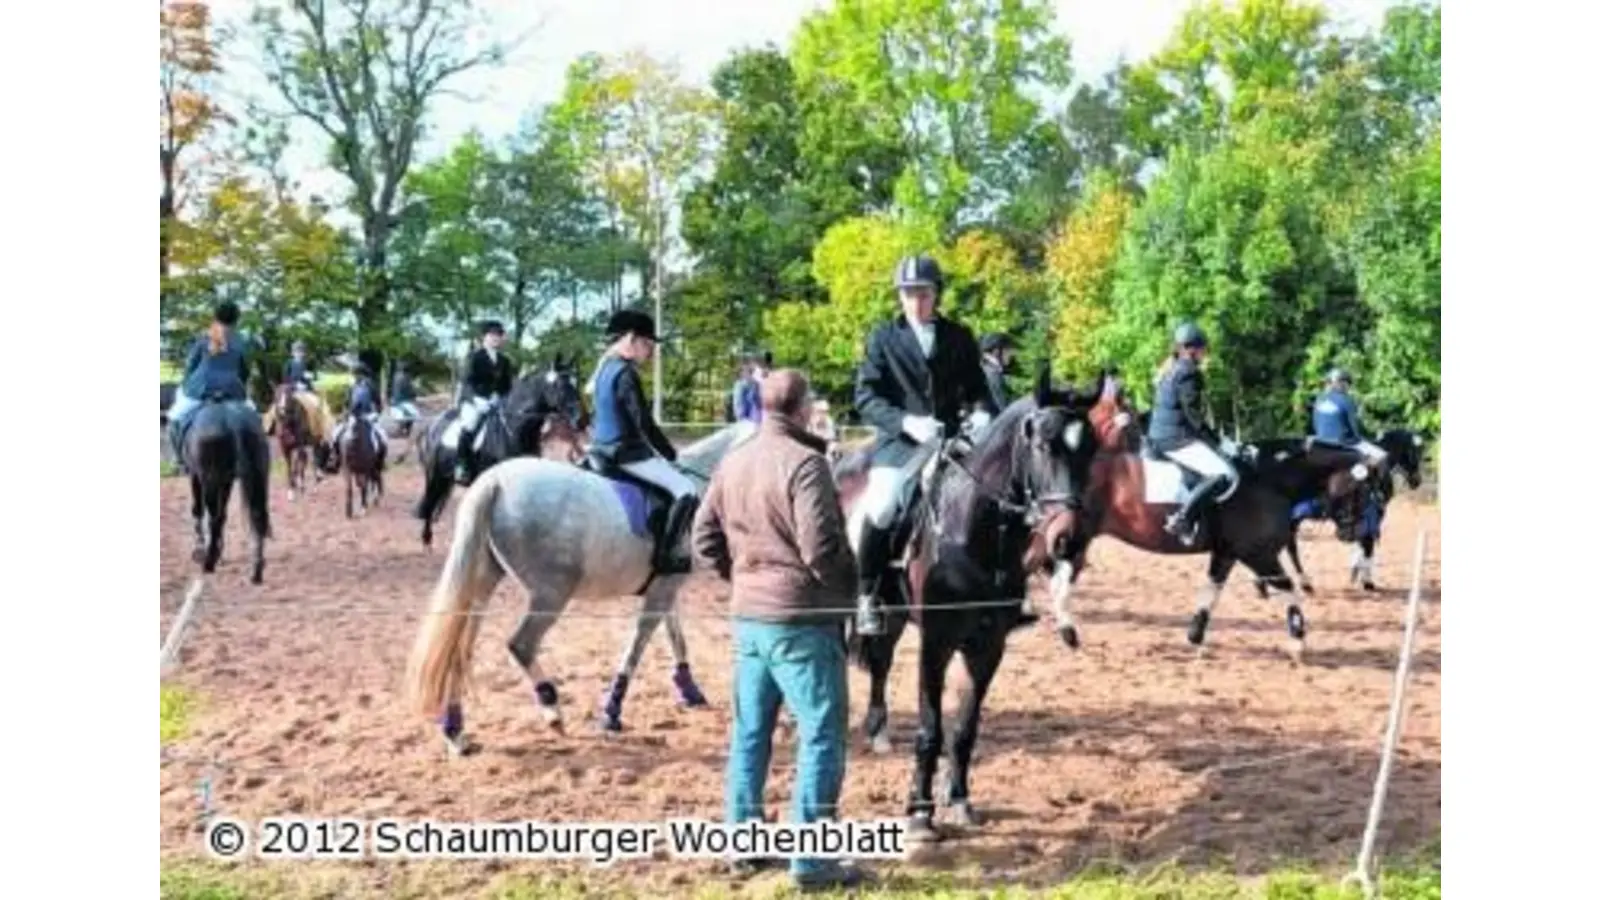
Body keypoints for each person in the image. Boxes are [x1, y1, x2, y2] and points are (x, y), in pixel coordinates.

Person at [690, 369, 862, 892]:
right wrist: (846, 592)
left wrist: (740, 576)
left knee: (749, 733)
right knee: (822, 735)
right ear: (804, 407)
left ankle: (742, 843)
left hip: (749, 618)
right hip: (802, 619)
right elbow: (820, 549)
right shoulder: (806, 463)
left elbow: (703, 537)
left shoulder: (734, 460)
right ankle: (811, 862)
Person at [851, 254, 1002, 635]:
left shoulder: (959, 336)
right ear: (899, 297)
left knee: (994, 497)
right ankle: (868, 594)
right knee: (882, 505)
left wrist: (983, 412)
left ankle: (1003, 588)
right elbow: (866, 398)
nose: (916, 301)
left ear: (937, 295)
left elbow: (978, 390)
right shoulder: (883, 338)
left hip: (952, 440)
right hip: (901, 443)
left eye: (923, 293)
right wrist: (905, 422)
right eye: (909, 294)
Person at [590, 309, 699, 575]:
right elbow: (644, 423)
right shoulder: (626, 373)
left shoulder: (605, 368)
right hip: (625, 453)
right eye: (647, 344)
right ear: (630, 338)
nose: (650, 352)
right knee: (687, 489)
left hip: (600, 448)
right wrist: (670, 453)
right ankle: (666, 556)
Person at [1145, 322, 1239, 546]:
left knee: (1203, 472)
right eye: (1203, 349)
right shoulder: (1188, 372)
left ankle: (1199, 518)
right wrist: (1219, 443)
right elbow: (1194, 418)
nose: (1205, 353)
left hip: (1159, 435)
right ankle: (1183, 519)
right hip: (1175, 438)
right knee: (1222, 474)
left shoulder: (1170, 368)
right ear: (1191, 349)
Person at [167, 301, 255, 473]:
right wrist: (240, 388)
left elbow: (191, 366)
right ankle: (247, 459)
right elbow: (245, 371)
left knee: (174, 419)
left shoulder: (204, 338)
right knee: (253, 420)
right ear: (236, 320)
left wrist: (186, 384)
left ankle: (178, 460)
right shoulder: (240, 341)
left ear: (215, 317)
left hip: (200, 389)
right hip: (232, 391)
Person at [453, 321, 515, 483]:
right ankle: (462, 464)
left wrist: (500, 397)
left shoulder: (505, 360)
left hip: (496, 403)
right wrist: (476, 399)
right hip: (475, 401)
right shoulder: (475, 357)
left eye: (499, 335)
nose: (496, 339)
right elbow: (467, 382)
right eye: (492, 335)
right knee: (469, 425)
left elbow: (507, 386)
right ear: (484, 338)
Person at [1311, 367, 1388, 465]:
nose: (1348, 387)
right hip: (1342, 443)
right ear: (1341, 383)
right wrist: (1372, 436)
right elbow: (1355, 428)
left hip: (1321, 442)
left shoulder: (1319, 399)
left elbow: (1315, 424)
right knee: (1382, 456)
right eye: (1347, 383)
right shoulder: (1346, 400)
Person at [330, 363, 388, 462]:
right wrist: (345, 413)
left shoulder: (370, 386)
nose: (355, 376)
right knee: (335, 434)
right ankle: (336, 457)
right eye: (354, 374)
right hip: (353, 416)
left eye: (357, 374)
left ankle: (379, 462)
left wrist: (377, 413)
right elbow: (347, 402)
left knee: (383, 437)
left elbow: (378, 402)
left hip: (368, 415)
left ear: (362, 374)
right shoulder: (352, 387)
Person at [979, 333, 1015, 416]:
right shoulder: (993, 374)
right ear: (996, 352)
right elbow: (1005, 410)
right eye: (1008, 349)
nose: (1012, 354)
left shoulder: (985, 370)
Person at [390, 361, 419, 426]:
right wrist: (414, 394)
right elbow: (408, 388)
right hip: (404, 399)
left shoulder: (396, 376)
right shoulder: (405, 377)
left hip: (396, 399)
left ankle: (402, 428)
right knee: (411, 416)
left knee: (403, 416)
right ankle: (406, 430)